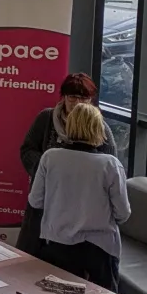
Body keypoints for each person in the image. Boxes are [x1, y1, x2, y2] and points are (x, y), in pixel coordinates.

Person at [26, 103, 129, 290]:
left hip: (58, 244)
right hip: (101, 249)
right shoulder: (110, 165)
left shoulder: (50, 158)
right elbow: (123, 213)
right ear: (98, 128)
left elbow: (35, 201)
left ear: (69, 125)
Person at [17, 73, 117, 256]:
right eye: (72, 97)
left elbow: (110, 168)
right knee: (30, 258)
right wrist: (47, 169)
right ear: (63, 97)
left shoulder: (100, 127)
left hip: (81, 209)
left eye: (83, 98)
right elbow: (27, 149)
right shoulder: (46, 118)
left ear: (91, 100)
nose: (78, 103)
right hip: (45, 199)